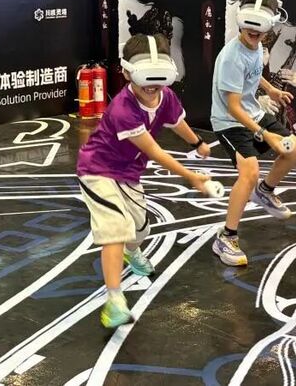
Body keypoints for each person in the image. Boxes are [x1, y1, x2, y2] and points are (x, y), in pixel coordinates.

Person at [77, 33, 211, 328]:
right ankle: (114, 301)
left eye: (158, 78)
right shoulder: (123, 109)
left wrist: (197, 142)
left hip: (129, 173)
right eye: (145, 78)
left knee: (139, 228)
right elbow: (154, 150)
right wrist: (191, 177)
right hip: (98, 169)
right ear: (127, 73)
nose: (152, 86)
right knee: (115, 228)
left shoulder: (167, 97)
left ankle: (131, 252)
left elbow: (176, 121)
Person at [210, 0, 296, 266]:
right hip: (230, 122)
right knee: (249, 173)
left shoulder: (255, 48)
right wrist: (265, 135)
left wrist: (270, 89)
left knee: (295, 150)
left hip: (252, 113)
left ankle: (265, 190)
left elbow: (252, 73)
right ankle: (226, 237)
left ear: (269, 24)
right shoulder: (232, 56)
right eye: (249, 26)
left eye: (259, 27)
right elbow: (233, 107)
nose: (253, 31)